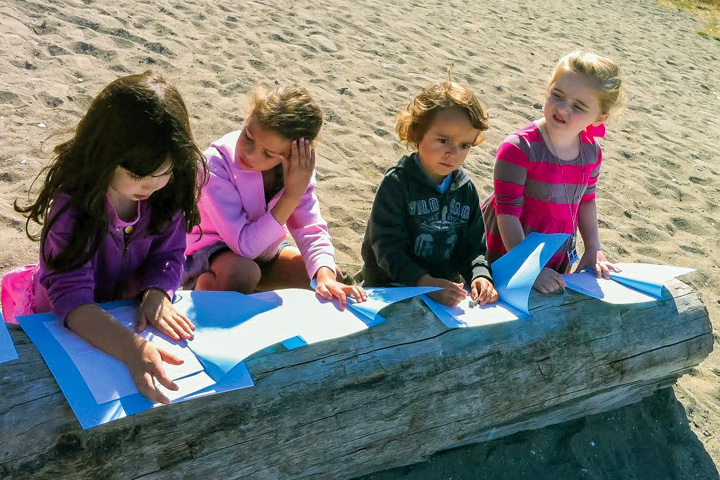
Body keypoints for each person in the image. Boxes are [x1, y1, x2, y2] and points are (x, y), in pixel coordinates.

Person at [1, 71, 208, 404]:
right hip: (63, 322)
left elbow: (170, 253)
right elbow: (71, 298)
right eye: (139, 175)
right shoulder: (73, 207)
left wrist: (158, 290)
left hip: (124, 309)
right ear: (105, 156)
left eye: (164, 173)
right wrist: (131, 348)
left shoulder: (167, 194)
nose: (152, 186)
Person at [184, 84, 366, 308]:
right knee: (243, 273)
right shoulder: (214, 165)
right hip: (209, 254)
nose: (249, 152)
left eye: (269, 153)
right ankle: (204, 290)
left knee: (329, 280)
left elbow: (310, 228)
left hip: (265, 252)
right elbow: (244, 245)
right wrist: (291, 196)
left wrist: (325, 273)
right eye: (248, 136)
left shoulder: (295, 172)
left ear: (293, 156)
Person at [482, 51, 626, 294]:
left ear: (600, 118)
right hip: (512, 247)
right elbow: (507, 214)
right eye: (557, 95)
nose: (562, 108)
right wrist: (527, 268)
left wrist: (593, 248)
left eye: (578, 106)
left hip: (556, 246)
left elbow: (586, 200)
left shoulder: (591, 152)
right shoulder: (519, 148)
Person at [361, 81, 498, 307]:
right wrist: (425, 283)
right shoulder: (397, 183)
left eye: (464, 145)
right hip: (391, 291)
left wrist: (480, 275)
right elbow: (386, 248)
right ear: (417, 132)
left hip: (446, 295)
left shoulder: (465, 189)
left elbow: (473, 247)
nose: (452, 153)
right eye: (443, 140)